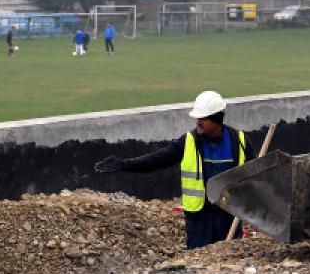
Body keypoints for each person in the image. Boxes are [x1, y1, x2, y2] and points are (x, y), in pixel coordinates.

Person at [94, 91, 248, 249]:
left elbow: (256, 175)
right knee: (198, 264)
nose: (198, 122)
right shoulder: (188, 141)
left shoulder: (239, 141)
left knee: (230, 261)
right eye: (197, 118)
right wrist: (124, 165)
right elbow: (157, 160)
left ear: (216, 119)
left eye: (203, 118)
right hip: (200, 218)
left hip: (229, 216)